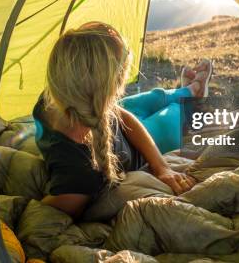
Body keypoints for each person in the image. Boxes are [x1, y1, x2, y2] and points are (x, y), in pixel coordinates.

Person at [33, 21, 212, 218]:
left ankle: (190, 90)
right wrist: (160, 166)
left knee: (153, 97)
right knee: (170, 114)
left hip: (123, 122)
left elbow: (120, 114)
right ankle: (190, 99)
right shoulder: (81, 174)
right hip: (144, 145)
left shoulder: (58, 94)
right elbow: (57, 206)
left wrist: (161, 167)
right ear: (108, 88)